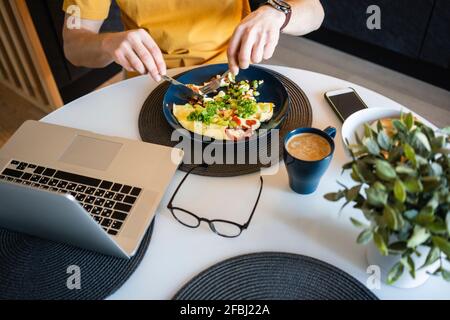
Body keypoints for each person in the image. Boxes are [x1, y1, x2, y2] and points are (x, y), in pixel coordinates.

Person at [62, 0, 324, 81]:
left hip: (230, 73)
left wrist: (278, 11)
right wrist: (107, 43)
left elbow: (315, 11)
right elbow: (74, 44)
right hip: (149, 80)